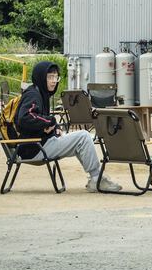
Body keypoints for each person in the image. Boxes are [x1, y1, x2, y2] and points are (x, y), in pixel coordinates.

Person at [13, 60, 124, 193]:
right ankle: (96, 179)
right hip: (35, 148)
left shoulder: (40, 93)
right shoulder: (33, 94)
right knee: (83, 136)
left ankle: (96, 177)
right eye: (50, 77)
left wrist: (54, 128)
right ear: (41, 77)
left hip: (37, 144)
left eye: (56, 77)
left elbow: (38, 120)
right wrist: (51, 121)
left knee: (81, 141)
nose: (54, 81)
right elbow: (25, 117)